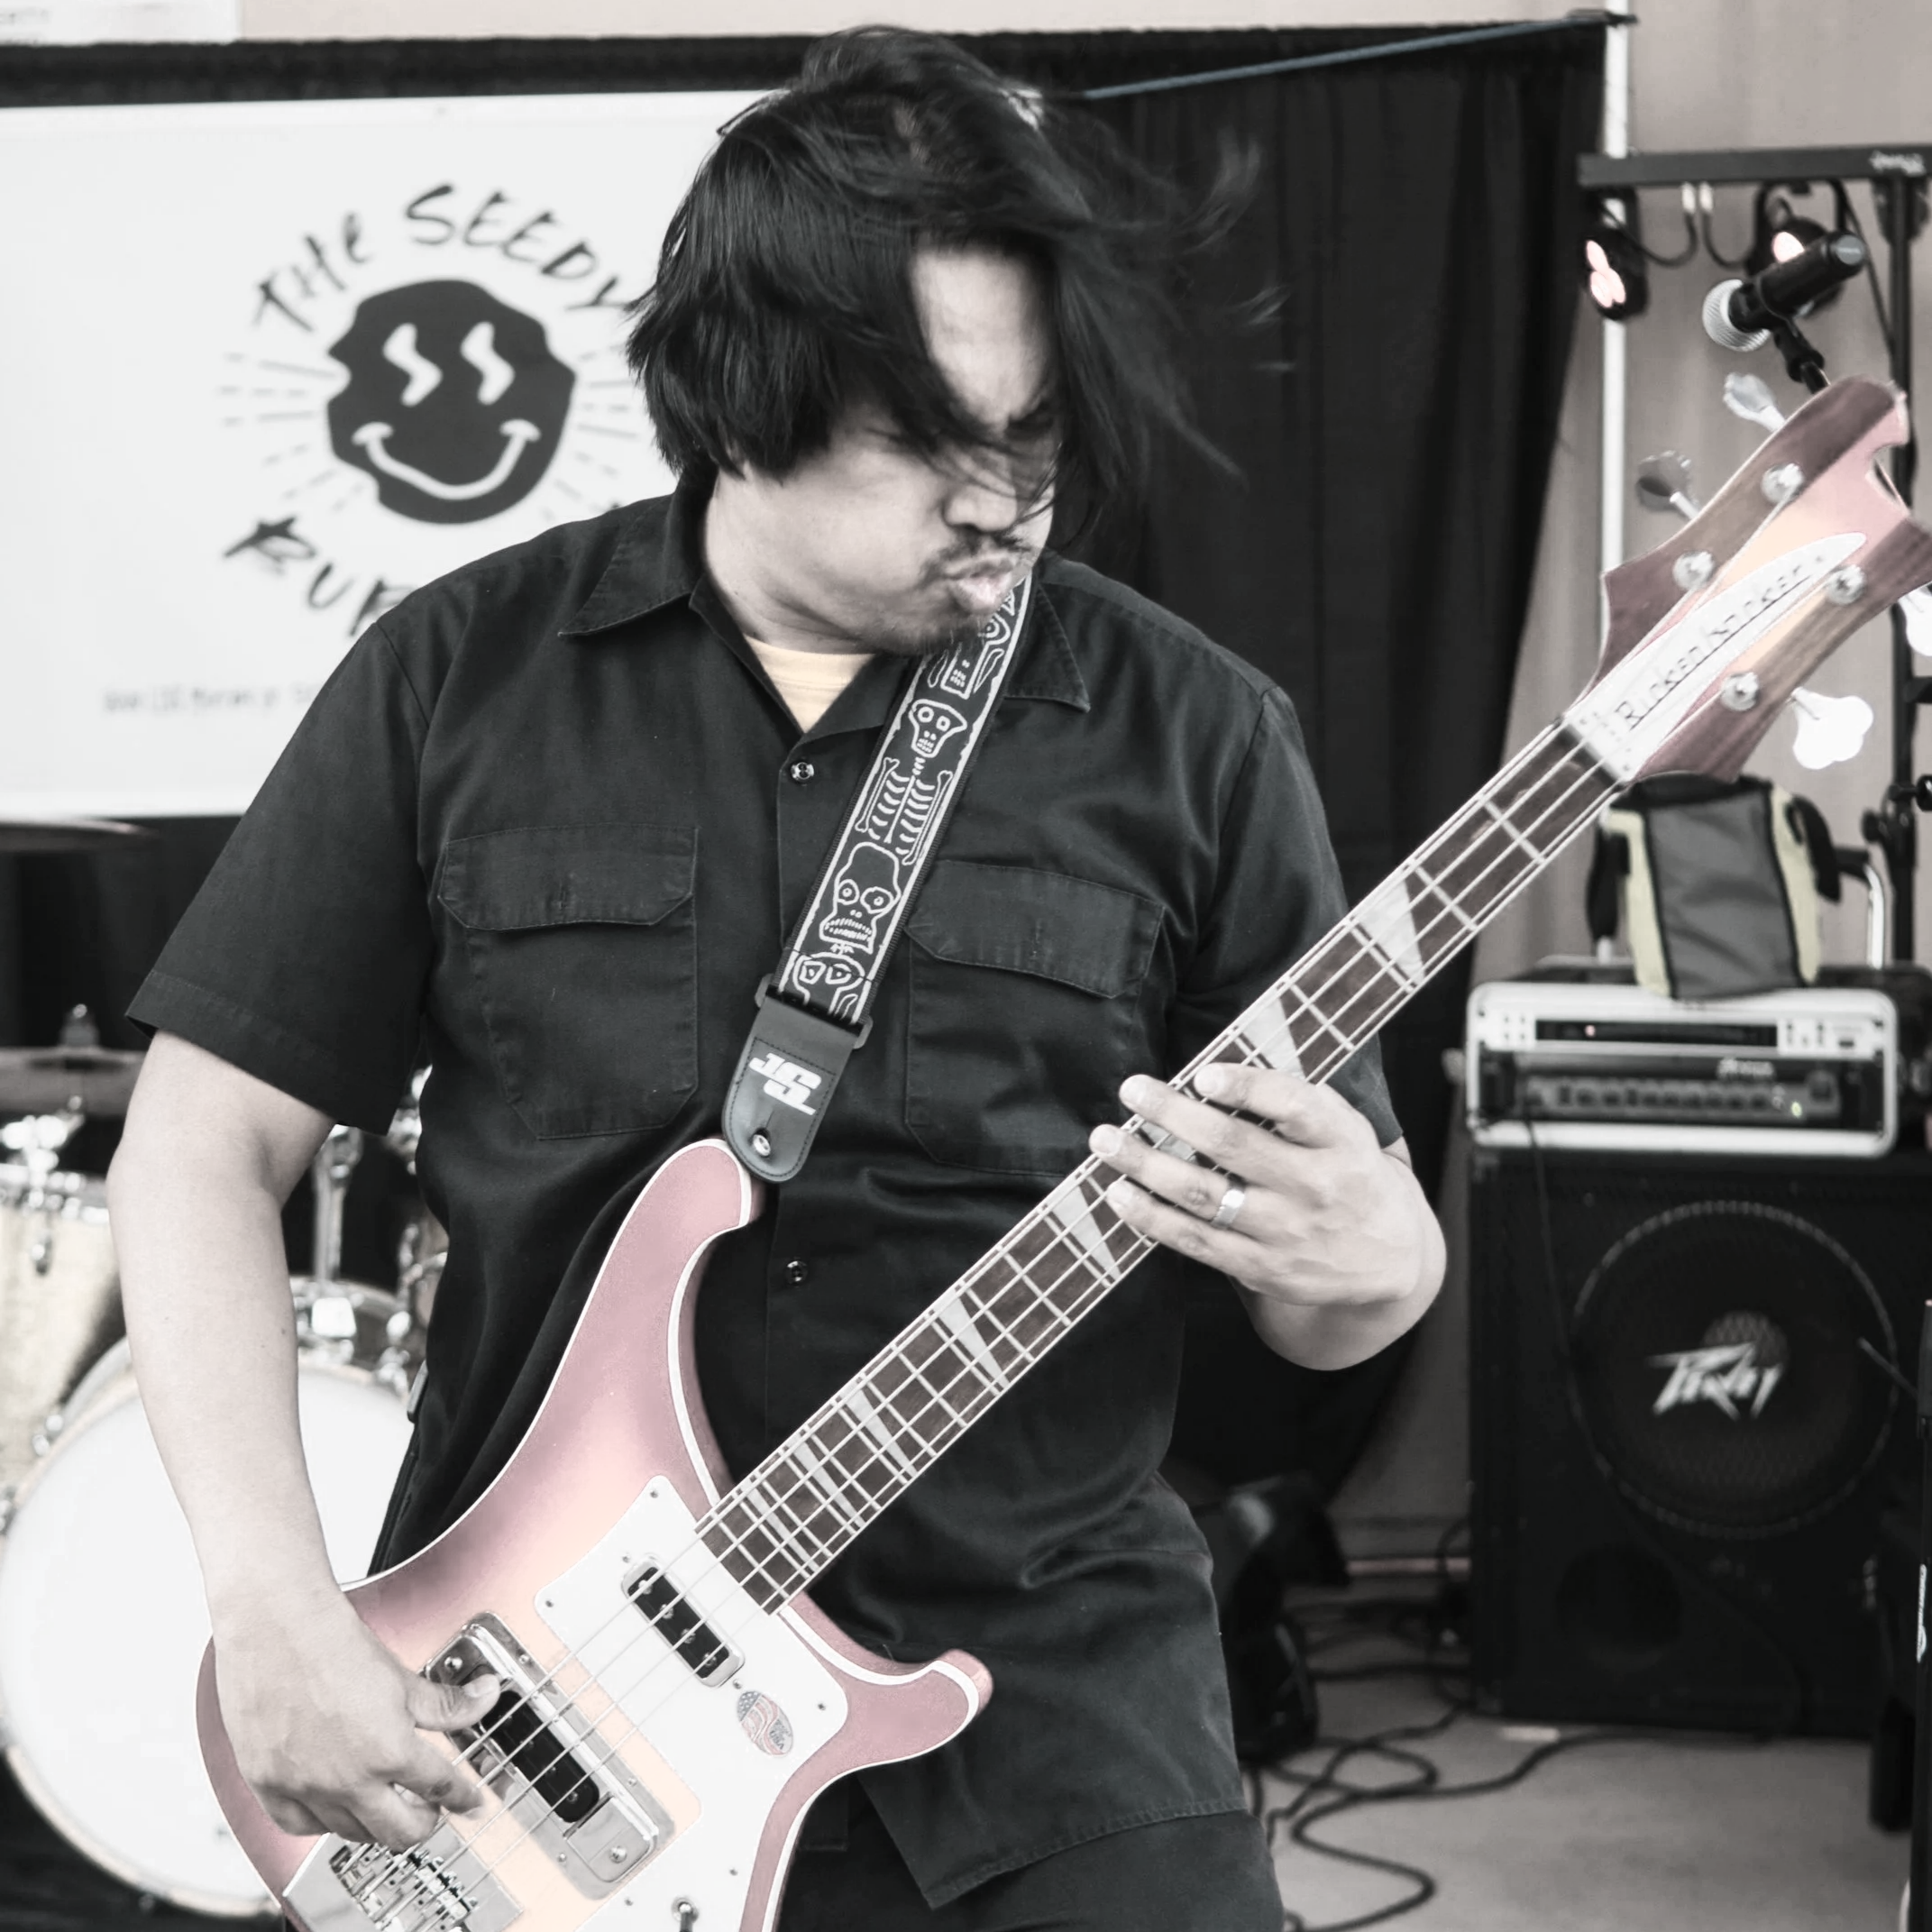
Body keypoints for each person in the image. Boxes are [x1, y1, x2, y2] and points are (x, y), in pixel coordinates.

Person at [108, 29, 1443, 1932]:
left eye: (1040, 434)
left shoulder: (1197, 737)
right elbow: (200, 1149)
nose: (1009, 500)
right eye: (932, 442)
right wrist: (272, 1609)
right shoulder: (460, 681)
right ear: (740, 401)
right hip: (544, 1700)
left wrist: (1379, 1269)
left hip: (1056, 1706)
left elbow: (1339, 1276)